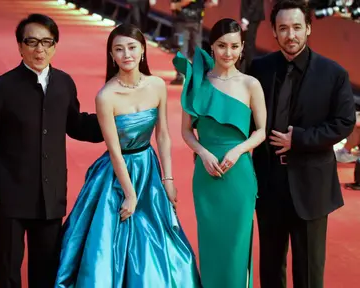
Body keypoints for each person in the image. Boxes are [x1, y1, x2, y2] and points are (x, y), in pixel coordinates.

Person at [54, 24, 201, 288]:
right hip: (116, 173)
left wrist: (168, 179)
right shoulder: (106, 96)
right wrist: (130, 194)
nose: (126, 54)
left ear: (143, 50)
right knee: (110, 242)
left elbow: (163, 135)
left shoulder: (157, 85)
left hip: (149, 168)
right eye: (119, 49)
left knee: (158, 239)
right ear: (111, 55)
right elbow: (114, 150)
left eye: (132, 47)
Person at [0, 14, 103, 288]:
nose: (39, 49)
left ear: (55, 46)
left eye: (47, 42)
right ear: (20, 46)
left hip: (51, 195)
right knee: (7, 270)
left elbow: (76, 125)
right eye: (31, 42)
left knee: (46, 272)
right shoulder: (1, 88)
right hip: (9, 195)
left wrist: (113, 123)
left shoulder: (64, 84)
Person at [249, 1, 356, 288]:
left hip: (311, 185)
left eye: (297, 27)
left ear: (308, 28)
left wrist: (300, 139)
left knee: (309, 272)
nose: (290, 35)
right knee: (270, 268)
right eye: (283, 28)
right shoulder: (259, 69)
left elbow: (343, 121)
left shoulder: (333, 73)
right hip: (269, 183)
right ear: (273, 31)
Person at [174, 18, 266, 288]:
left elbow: (260, 131)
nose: (228, 52)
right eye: (222, 46)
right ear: (211, 47)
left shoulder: (251, 85)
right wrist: (202, 153)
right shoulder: (196, 83)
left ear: (242, 48)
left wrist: (238, 151)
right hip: (207, 175)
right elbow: (186, 132)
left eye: (234, 46)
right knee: (212, 245)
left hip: (239, 175)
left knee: (238, 246)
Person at [239, 0, 265, 73]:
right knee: (249, 44)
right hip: (252, 16)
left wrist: (246, 20)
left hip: (252, 17)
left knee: (248, 44)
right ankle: (248, 69)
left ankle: (249, 70)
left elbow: (254, 2)